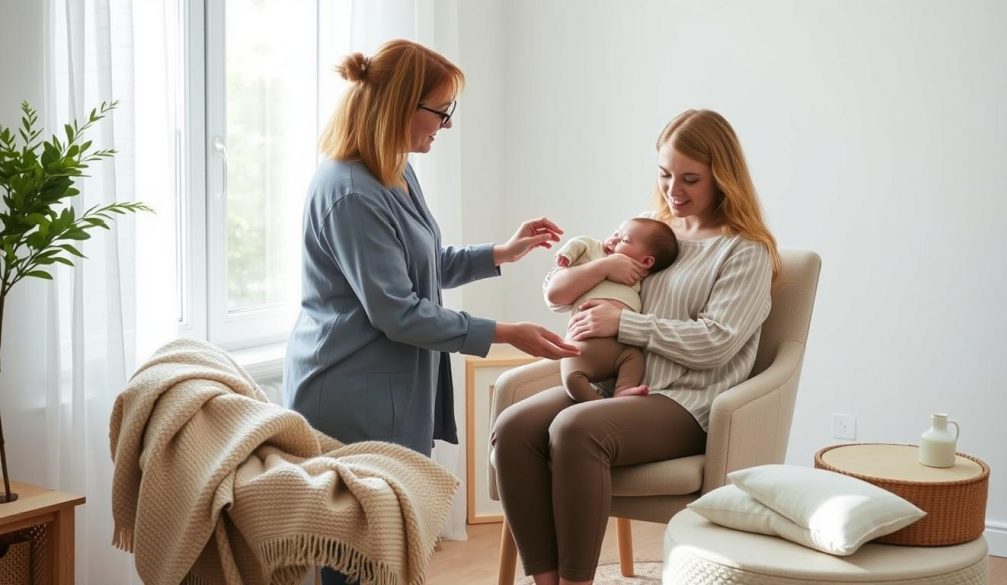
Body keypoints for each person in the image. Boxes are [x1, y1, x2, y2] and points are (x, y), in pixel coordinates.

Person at [281, 39, 579, 585]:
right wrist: (506, 332)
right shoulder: (350, 193)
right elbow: (399, 312)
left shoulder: (393, 171)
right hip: (350, 397)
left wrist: (499, 253)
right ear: (400, 105)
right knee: (357, 557)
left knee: (387, 553)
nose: (444, 125)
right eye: (440, 111)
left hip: (391, 389)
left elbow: (419, 266)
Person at [491, 108, 782, 585]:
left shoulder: (744, 251)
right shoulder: (652, 228)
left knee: (575, 429)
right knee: (514, 427)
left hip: (689, 401)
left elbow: (718, 342)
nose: (674, 190)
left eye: (691, 179)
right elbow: (570, 285)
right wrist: (598, 271)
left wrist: (629, 324)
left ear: (723, 178)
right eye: (666, 174)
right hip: (617, 383)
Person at [554, 217, 678, 401]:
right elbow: (579, 245)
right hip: (581, 341)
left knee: (635, 358)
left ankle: (623, 391)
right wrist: (575, 258)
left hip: (623, 346)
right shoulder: (597, 255)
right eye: (615, 234)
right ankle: (594, 404)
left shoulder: (640, 276)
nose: (613, 240)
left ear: (646, 261)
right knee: (572, 379)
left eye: (624, 240)